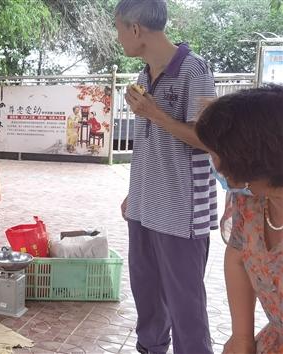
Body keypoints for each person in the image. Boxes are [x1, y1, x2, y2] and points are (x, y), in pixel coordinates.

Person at [114, 0, 218, 353]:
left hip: (180, 212)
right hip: (144, 208)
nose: (118, 38)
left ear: (135, 29)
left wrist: (155, 114)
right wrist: (137, 192)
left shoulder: (195, 71)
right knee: (147, 299)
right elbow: (151, 144)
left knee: (185, 307)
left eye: (118, 29)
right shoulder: (144, 75)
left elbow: (207, 139)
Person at [194, 85, 283, 354]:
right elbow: (238, 254)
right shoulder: (250, 200)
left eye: (215, 153)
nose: (213, 163)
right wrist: (241, 337)